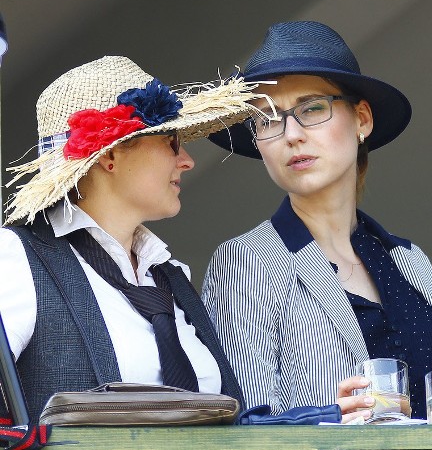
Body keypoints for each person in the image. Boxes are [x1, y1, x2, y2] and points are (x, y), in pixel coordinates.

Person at [203, 21, 432, 421]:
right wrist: (326, 418)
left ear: (362, 119)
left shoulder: (411, 262)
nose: (291, 134)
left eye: (312, 108)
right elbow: (244, 429)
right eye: (269, 118)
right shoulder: (245, 262)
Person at [0, 56, 259, 418]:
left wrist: (320, 419)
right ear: (112, 156)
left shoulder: (170, 277)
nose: (187, 160)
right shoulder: (16, 257)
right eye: (171, 141)